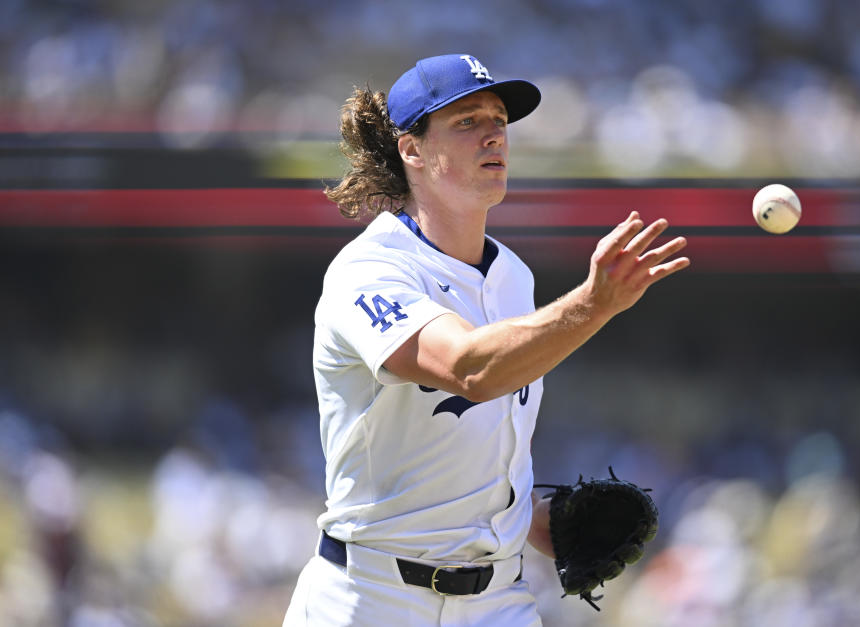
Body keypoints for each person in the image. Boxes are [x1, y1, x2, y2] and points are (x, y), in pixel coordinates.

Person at [283, 53, 689, 627]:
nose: (494, 133)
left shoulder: (513, 277)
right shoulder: (369, 271)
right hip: (371, 597)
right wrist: (593, 304)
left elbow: (480, 441)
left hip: (498, 601)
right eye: (467, 121)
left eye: (499, 118)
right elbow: (470, 371)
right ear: (412, 149)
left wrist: (529, 516)